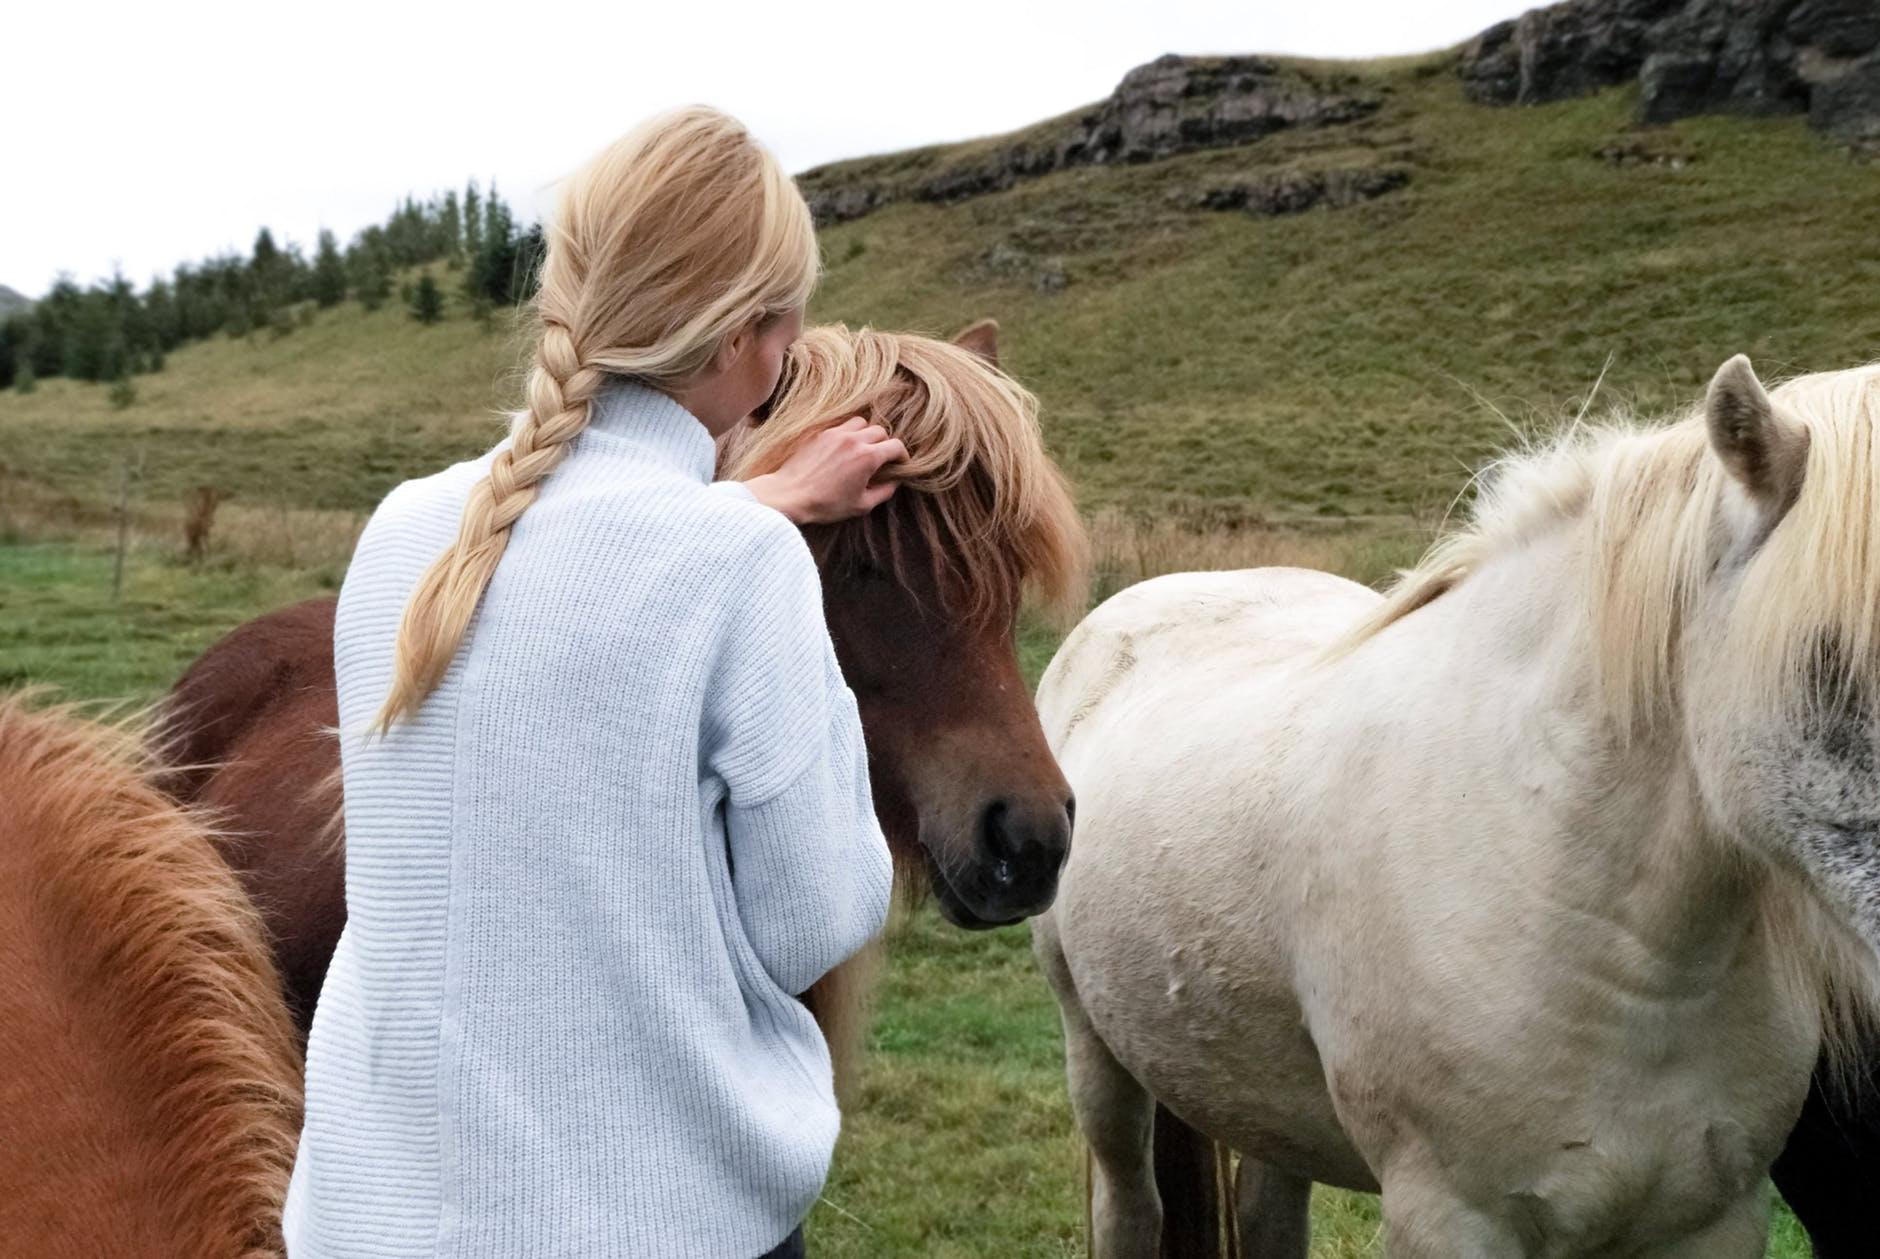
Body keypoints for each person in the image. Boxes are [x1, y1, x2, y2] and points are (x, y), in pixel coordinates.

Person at [282, 105, 901, 1259]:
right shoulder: (740, 564)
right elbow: (811, 919)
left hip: (366, 1220)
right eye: (786, 316)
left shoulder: (403, 530)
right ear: (741, 342)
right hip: (650, 1220)